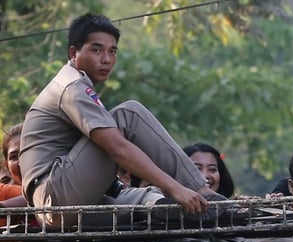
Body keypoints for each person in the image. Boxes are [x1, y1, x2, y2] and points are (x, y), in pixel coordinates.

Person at [19, 13, 225, 224]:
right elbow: (117, 148)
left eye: (112, 51)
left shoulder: (73, 84)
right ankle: (203, 191)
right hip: (56, 197)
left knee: (147, 201)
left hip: (57, 207)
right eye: (96, 50)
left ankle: (185, 209)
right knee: (128, 114)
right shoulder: (73, 87)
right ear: (73, 53)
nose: (106, 59)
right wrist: (177, 188)